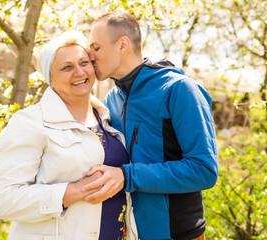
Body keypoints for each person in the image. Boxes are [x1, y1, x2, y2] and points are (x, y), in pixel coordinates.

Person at [82, 11, 219, 240]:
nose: (91, 56)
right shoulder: (111, 101)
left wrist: (128, 176)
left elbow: (204, 170)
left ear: (122, 45)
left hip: (178, 234)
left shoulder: (179, 89)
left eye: (96, 48)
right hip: (129, 232)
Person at [0, 30, 137, 240]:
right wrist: (74, 191)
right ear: (50, 79)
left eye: (84, 63)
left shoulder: (108, 118)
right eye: (66, 67)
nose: (79, 72)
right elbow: (2, 200)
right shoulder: (30, 122)